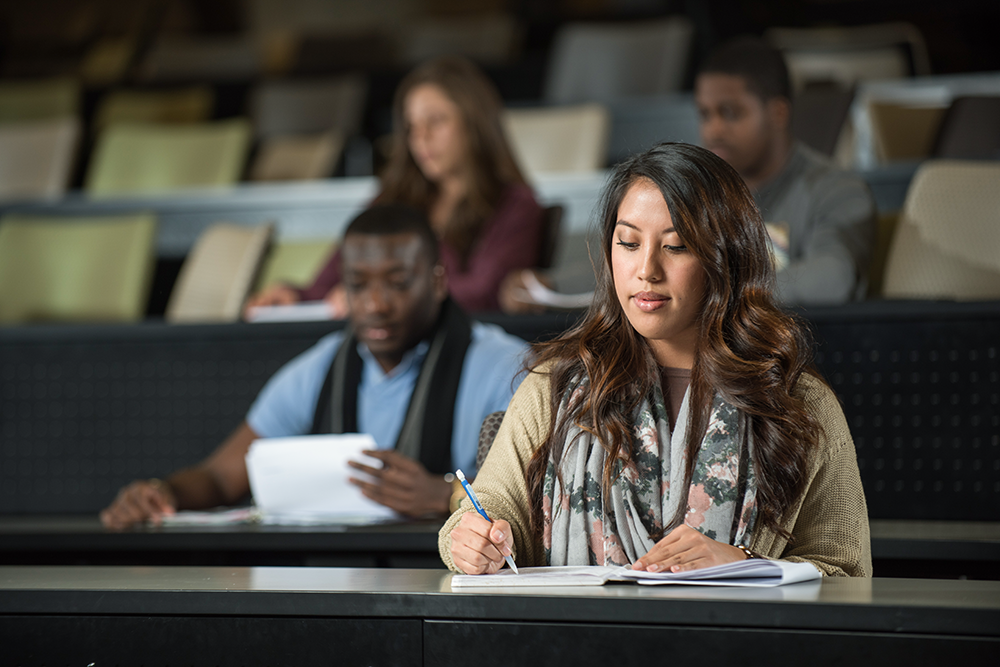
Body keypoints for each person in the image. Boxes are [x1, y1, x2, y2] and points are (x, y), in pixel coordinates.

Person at [440, 143, 871, 577]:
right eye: (628, 243)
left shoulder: (799, 402)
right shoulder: (555, 385)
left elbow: (847, 573)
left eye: (677, 246)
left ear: (728, 257)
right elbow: (486, 511)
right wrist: (469, 539)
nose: (647, 269)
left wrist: (744, 564)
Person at [101, 205, 528, 529]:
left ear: (437, 282)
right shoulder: (319, 368)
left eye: (398, 283)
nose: (375, 304)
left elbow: (541, 500)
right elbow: (221, 475)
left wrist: (446, 494)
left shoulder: (505, 368)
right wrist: (163, 493)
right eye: (358, 285)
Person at [245, 55, 544, 317]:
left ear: (475, 123)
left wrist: (374, 294)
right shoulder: (392, 198)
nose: (421, 138)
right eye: (411, 126)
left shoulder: (515, 203)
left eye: (436, 121)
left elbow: (483, 293)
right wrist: (293, 296)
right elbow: (332, 279)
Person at [695, 36, 877, 305]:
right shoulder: (697, 194)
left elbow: (835, 278)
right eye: (705, 115)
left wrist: (723, 296)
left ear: (778, 113)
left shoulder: (837, 190)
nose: (714, 130)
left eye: (731, 113)